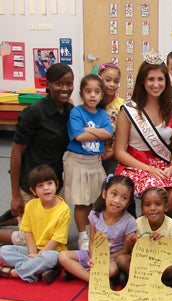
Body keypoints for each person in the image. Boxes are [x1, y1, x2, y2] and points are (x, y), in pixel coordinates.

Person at [0, 63, 74, 243]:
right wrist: (15, 194)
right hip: (30, 182)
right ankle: (19, 210)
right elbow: (16, 153)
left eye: (69, 84)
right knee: (29, 241)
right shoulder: (33, 113)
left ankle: (16, 215)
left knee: (50, 234)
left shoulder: (70, 111)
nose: (65, 88)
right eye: (59, 84)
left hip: (54, 180)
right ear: (47, 85)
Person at [114, 51, 172, 215]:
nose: (156, 84)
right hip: (136, 165)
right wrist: (149, 169)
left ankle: (159, 227)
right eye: (151, 79)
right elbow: (119, 152)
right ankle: (148, 233)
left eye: (160, 79)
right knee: (157, 194)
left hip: (164, 165)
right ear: (142, 81)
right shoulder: (129, 111)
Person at [64, 74, 113, 250]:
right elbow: (79, 136)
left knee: (97, 201)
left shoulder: (102, 113)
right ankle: (82, 235)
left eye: (97, 92)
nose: (93, 95)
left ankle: (95, 233)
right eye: (88, 91)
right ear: (81, 93)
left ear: (102, 95)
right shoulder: (76, 112)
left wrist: (88, 129)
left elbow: (109, 134)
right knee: (81, 202)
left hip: (95, 162)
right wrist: (96, 131)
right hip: (78, 162)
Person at [58, 175, 137, 283]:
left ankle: (80, 273)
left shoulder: (129, 221)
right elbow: (92, 241)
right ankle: (91, 278)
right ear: (104, 194)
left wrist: (105, 258)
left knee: (112, 270)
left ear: (128, 202)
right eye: (114, 194)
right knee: (63, 256)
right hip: (94, 254)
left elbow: (126, 250)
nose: (117, 200)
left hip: (112, 258)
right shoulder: (95, 215)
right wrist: (93, 257)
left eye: (124, 198)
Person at [0, 165, 70, 284]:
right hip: (34, 250)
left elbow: (56, 240)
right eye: (40, 186)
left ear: (56, 184)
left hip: (53, 251)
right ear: (33, 191)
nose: (46, 188)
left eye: (49, 183)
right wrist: (33, 254)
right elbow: (28, 232)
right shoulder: (31, 205)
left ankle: (14, 272)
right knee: (4, 250)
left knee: (49, 258)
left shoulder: (64, 209)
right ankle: (39, 270)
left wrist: (39, 256)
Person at [127, 186, 172, 287]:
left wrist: (160, 244)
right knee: (122, 259)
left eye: (158, 204)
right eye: (147, 205)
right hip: (143, 264)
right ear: (142, 208)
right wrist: (133, 242)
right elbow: (134, 252)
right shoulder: (138, 222)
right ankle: (152, 281)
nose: (152, 208)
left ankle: (148, 280)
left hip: (164, 263)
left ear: (166, 207)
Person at [98, 63, 125, 175]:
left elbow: (124, 135)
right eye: (107, 80)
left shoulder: (122, 105)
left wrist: (113, 152)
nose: (112, 84)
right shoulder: (92, 102)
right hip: (92, 154)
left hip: (113, 154)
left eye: (116, 81)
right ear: (99, 79)